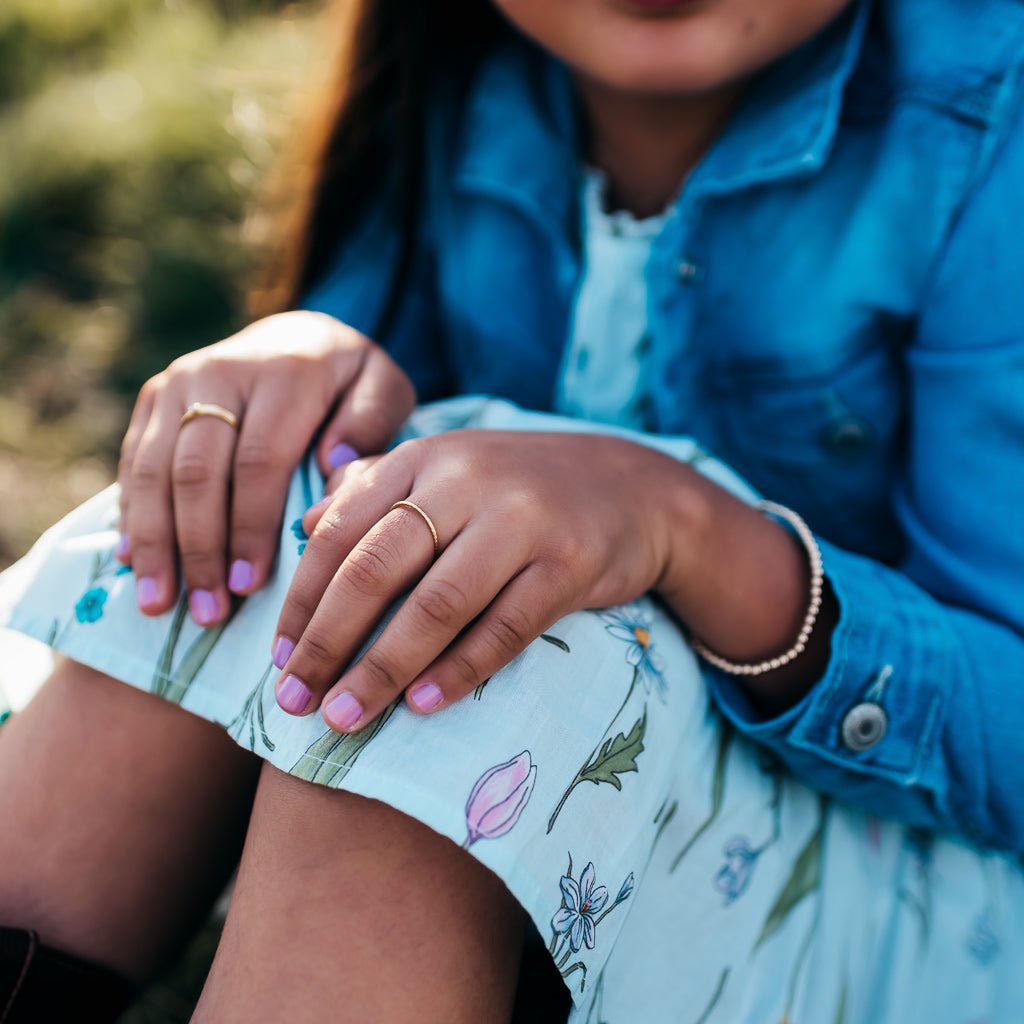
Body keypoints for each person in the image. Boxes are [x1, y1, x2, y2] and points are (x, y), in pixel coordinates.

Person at [1, 0, 1023, 1020]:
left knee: (489, 635)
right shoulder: (455, 63)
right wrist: (296, 366)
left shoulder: (990, 116)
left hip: (935, 906)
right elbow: (368, 439)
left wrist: (685, 525)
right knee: (306, 515)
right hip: (593, 842)